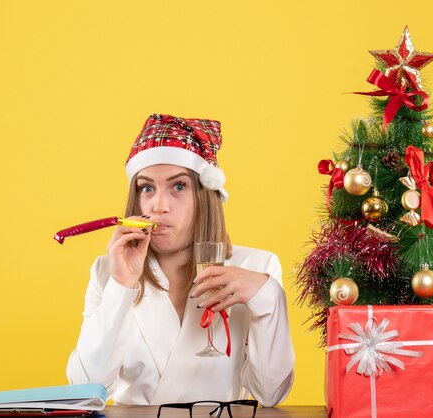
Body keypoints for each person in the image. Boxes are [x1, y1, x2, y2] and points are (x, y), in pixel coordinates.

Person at [66, 114, 295, 407]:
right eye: (146, 188)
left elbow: (272, 394)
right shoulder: (107, 271)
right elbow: (86, 391)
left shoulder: (257, 267)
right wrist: (121, 286)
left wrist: (268, 297)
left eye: (178, 187)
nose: (158, 206)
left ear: (205, 195)